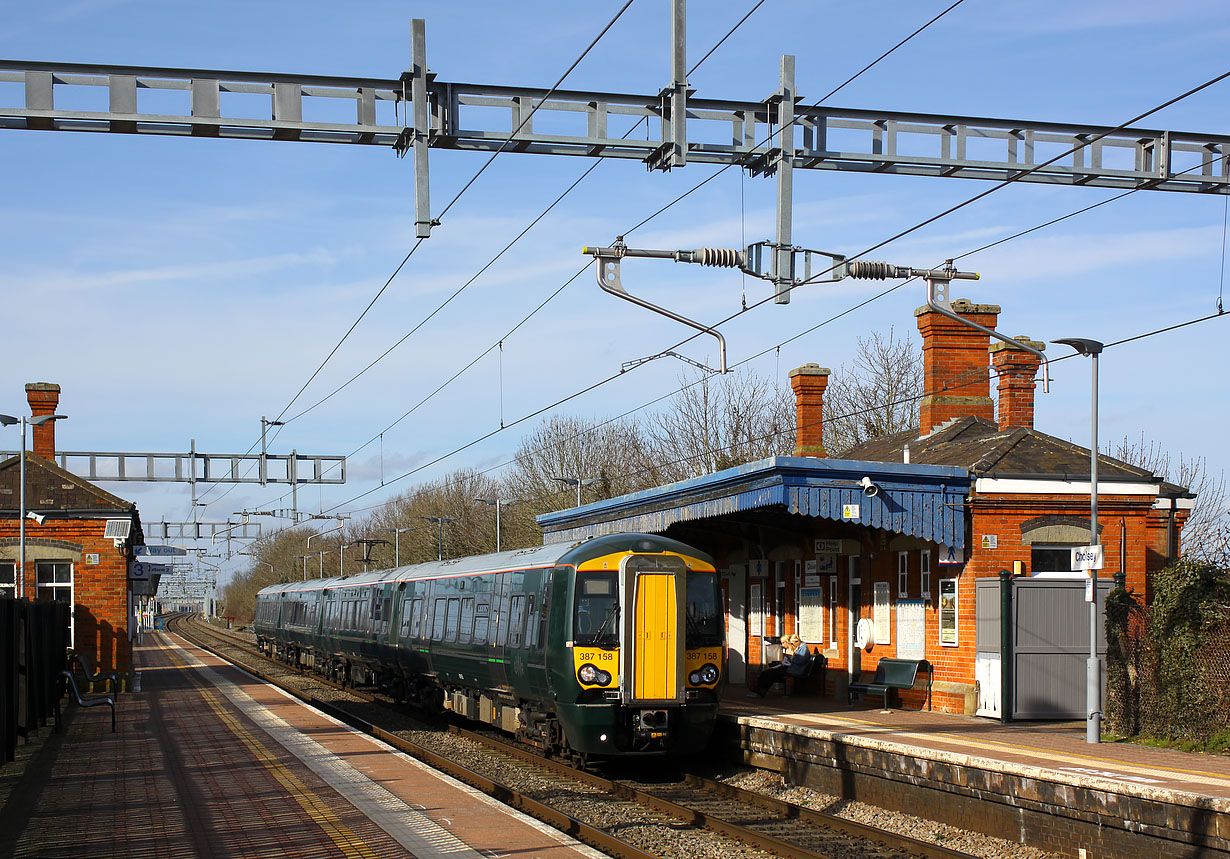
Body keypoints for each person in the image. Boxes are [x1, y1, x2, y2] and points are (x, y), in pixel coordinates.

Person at [747, 633, 812, 697]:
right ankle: (760, 690)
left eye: (792, 643)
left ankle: (761, 690)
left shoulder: (803, 649)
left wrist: (792, 657)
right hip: (792, 668)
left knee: (772, 673)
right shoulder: (800, 648)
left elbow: (800, 660)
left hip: (796, 670)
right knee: (767, 673)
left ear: (797, 641)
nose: (792, 645)